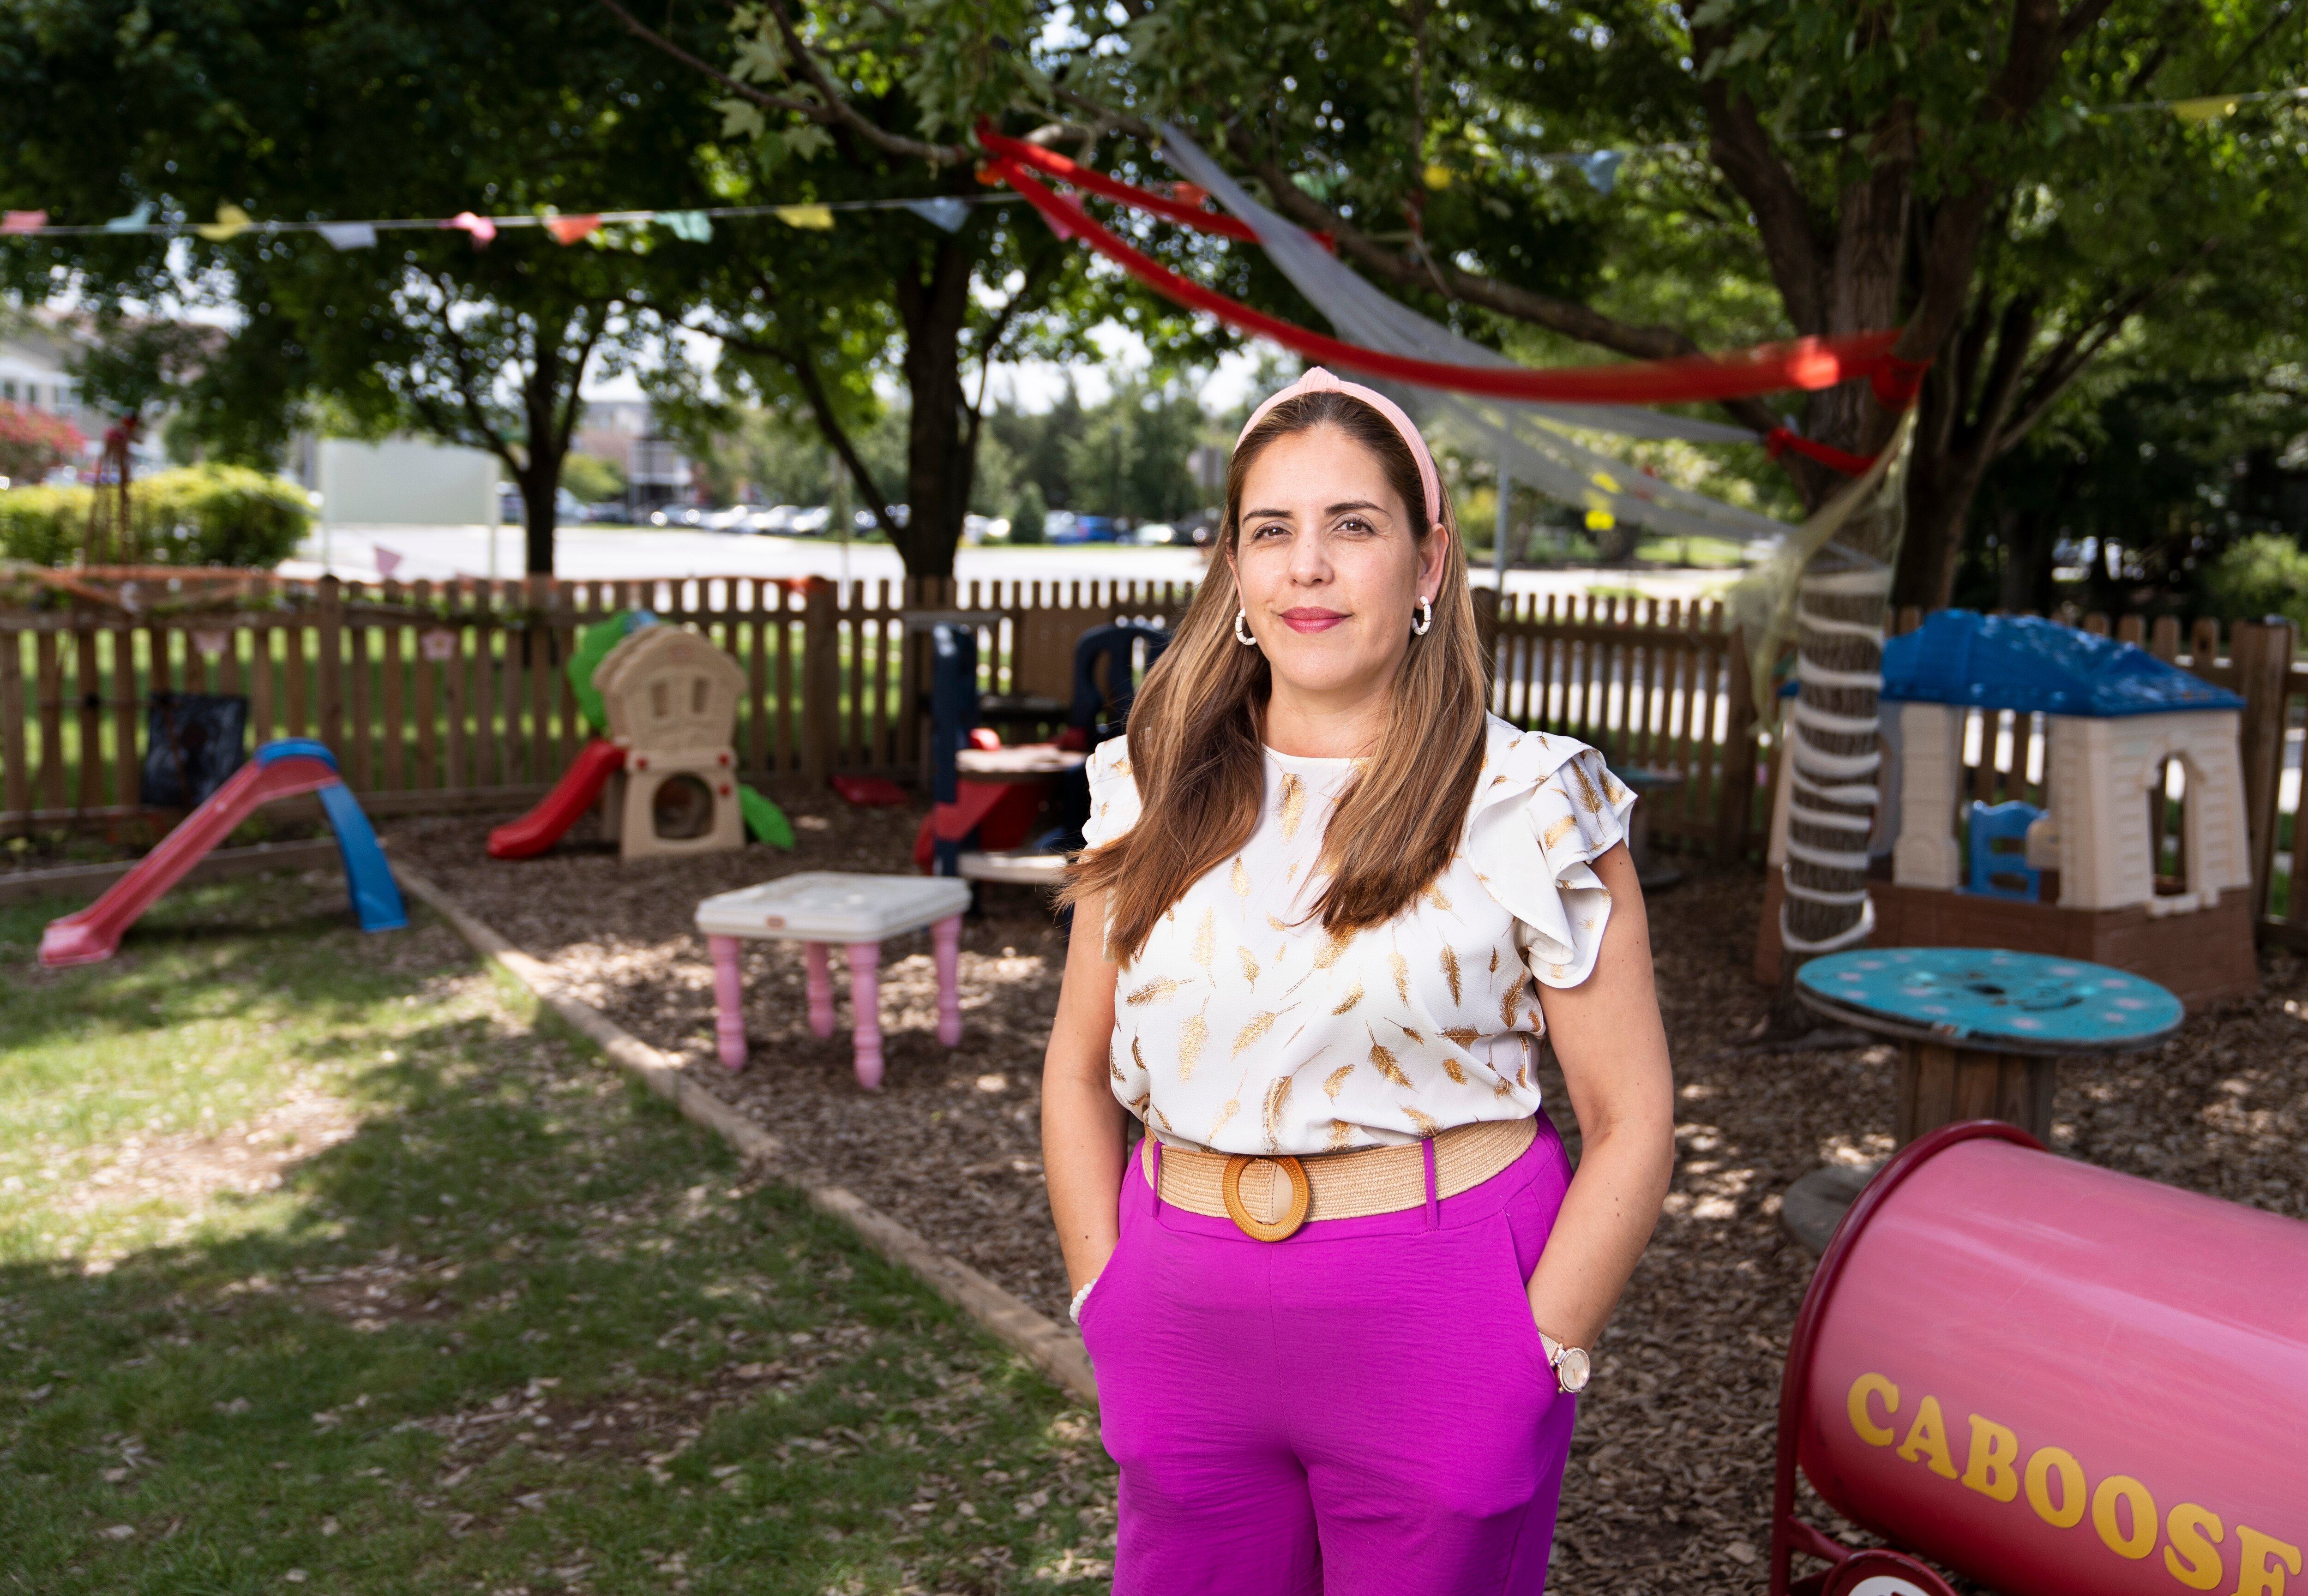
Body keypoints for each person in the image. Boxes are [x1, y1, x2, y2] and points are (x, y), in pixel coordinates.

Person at [1038, 368, 1677, 1594]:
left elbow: (1633, 1117)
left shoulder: (1533, 804)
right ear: (1234, 567)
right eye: (1270, 531)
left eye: (1354, 526)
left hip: (1444, 1321)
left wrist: (1541, 1346)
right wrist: (1101, 1292)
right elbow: (1076, 1070)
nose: (1307, 568)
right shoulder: (1148, 784)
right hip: (1180, 1312)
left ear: (1429, 562)